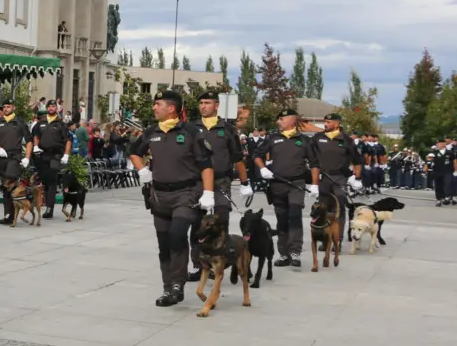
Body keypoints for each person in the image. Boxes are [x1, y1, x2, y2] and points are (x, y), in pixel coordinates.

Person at [129, 90, 215, 307]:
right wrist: (142, 171)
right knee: (164, 243)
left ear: (172, 108)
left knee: (178, 235)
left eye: (158, 104)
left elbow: (205, 164)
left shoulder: (190, 132)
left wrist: (208, 193)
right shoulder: (151, 132)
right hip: (159, 196)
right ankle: (168, 288)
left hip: (186, 193)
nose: (154, 108)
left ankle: (178, 284)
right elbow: (134, 151)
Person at [186, 91, 250, 281]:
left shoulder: (227, 129)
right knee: (198, 225)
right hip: (197, 182)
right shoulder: (191, 128)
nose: (203, 106)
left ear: (216, 106)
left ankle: (220, 263)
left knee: (221, 222)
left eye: (207, 102)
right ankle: (199, 265)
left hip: (221, 181)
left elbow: (237, 157)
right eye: (201, 102)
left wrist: (245, 182)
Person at [253, 109, 317, 269]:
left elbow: (315, 163)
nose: (278, 122)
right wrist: (263, 169)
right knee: (282, 219)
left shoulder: (304, 140)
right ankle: (283, 253)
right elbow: (256, 155)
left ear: (292, 120)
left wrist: (315, 184)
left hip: (297, 184)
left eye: (282, 119)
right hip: (277, 184)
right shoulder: (272, 138)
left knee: (295, 216)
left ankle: (295, 252)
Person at [310, 112, 363, 230]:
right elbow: (310, 158)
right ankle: (325, 237)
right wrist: (314, 183)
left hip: (340, 178)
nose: (325, 124)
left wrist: (358, 178)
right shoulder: (317, 138)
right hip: (323, 178)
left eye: (328, 122)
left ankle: (337, 239)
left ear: (337, 123)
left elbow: (357, 160)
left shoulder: (347, 140)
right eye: (325, 122)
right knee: (323, 208)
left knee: (339, 206)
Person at [0, 99, 32, 225]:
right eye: (4, 106)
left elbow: (29, 140)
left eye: (8, 106)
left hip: (15, 157)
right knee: (5, 187)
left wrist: (27, 157)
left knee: (10, 181)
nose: (6, 108)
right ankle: (8, 214)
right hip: (2, 157)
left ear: (13, 107)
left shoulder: (19, 123)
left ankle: (13, 212)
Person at [31, 100, 71, 219]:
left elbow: (68, 140)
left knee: (52, 180)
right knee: (45, 180)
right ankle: (47, 204)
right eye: (50, 106)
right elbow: (36, 136)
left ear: (57, 108)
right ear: (47, 108)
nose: (51, 108)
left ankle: (50, 208)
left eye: (54, 106)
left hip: (56, 154)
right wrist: (36, 146)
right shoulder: (41, 122)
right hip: (43, 154)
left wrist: (66, 154)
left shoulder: (61, 124)